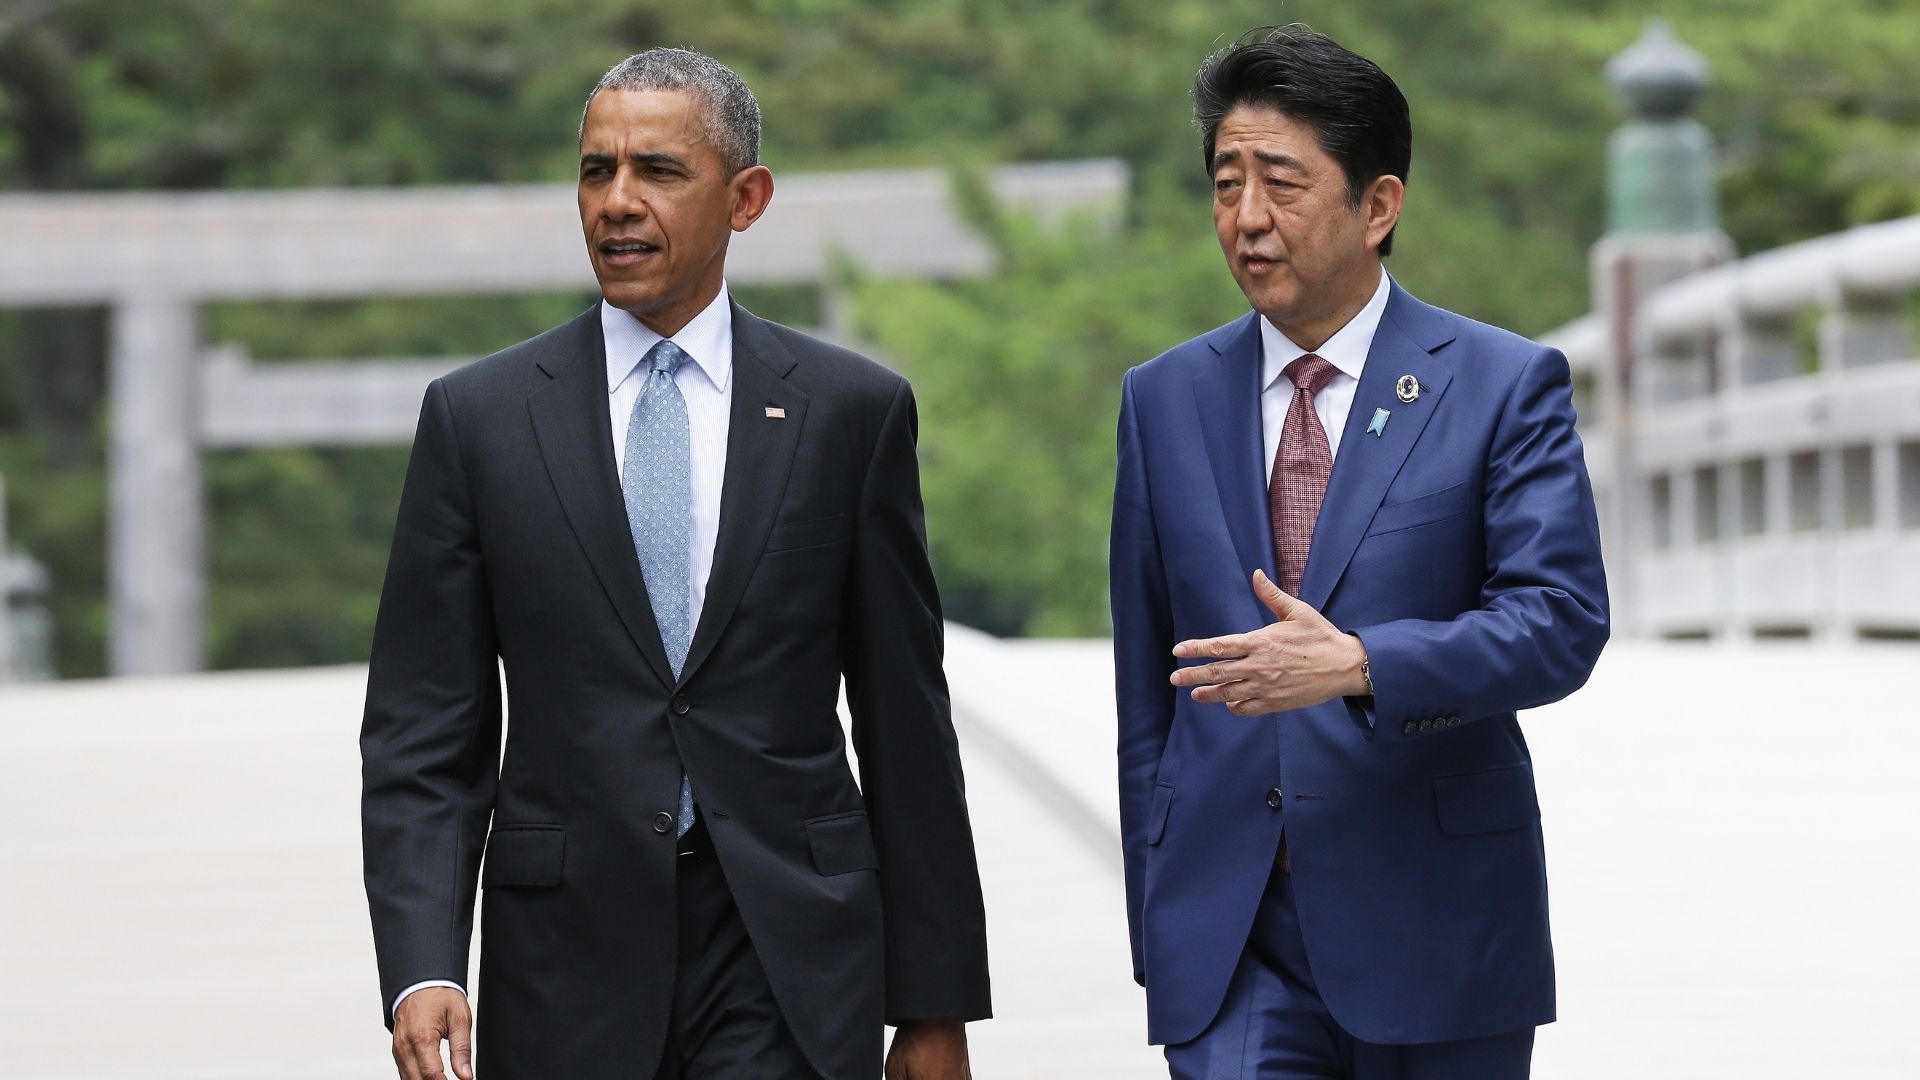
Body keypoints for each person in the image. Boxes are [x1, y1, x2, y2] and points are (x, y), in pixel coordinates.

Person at [361, 48, 989, 1080]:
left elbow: (905, 721)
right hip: (565, 959)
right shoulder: (478, 421)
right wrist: (422, 965)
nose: (617, 202)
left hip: (788, 951)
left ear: (746, 198)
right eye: (595, 170)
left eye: (657, 171)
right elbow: (425, 729)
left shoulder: (848, 414)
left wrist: (933, 1008)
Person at [1110, 26, 1608, 1080]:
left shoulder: (1501, 384)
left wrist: (1365, 665)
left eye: (1282, 184)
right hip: (1232, 938)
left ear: (1377, 206)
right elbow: (1145, 703)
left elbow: (1559, 622)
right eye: (1225, 181)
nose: (1246, 217)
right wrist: (1158, 923)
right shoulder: (1163, 399)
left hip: (1435, 925)